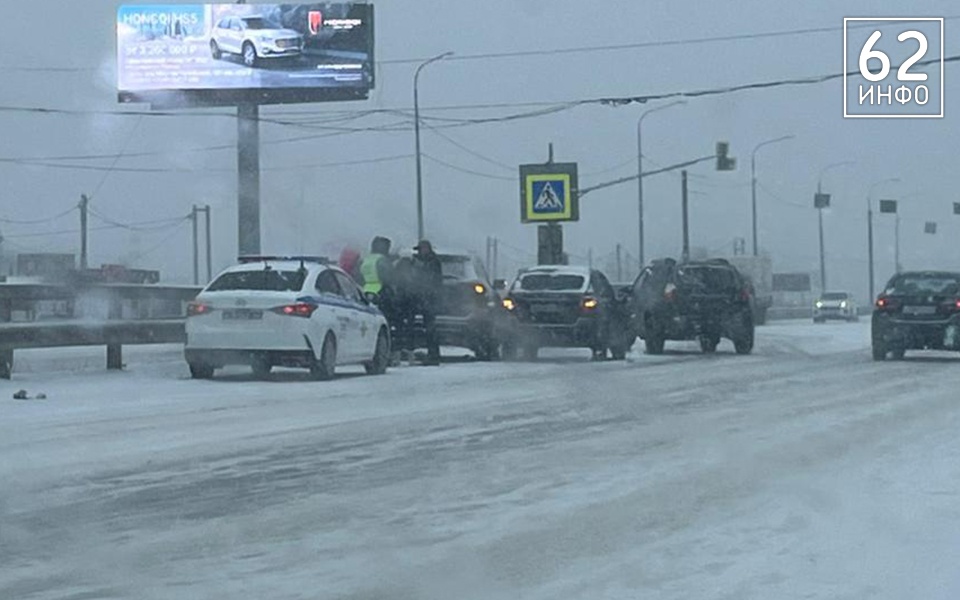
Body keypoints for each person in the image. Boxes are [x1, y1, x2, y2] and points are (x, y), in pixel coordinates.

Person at [412, 239, 443, 365]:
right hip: (420, 298)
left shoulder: (433, 262)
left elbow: (433, 280)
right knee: (423, 328)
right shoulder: (420, 261)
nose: (420, 252)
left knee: (430, 328)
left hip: (429, 299)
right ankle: (427, 354)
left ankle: (434, 356)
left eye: (422, 249)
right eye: (419, 250)